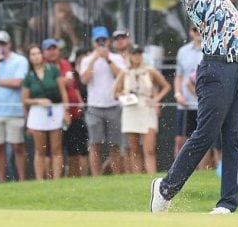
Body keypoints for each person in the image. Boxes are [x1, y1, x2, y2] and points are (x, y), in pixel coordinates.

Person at [150, 0, 238, 215]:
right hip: (217, 69)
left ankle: (227, 205)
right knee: (206, 135)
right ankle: (165, 188)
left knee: (233, 137)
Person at [115, 45, 171, 174]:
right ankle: (137, 176)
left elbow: (166, 86)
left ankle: (151, 174)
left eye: (139, 54)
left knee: (149, 148)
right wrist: (123, 96)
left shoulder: (149, 70)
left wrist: (156, 99)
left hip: (146, 107)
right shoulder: (124, 72)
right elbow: (116, 92)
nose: (136, 57)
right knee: (134, 148)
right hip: (130, 108)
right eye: (134, 54)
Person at [0, 30, 29, 181]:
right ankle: (2, 181)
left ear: (10, 44)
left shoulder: (20, 60)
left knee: (18, 147)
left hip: (15, 110)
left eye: (4, 43)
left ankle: (22, 180)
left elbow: (18, 82)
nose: (2, 47)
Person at [81, 26, 126, 176]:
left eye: (103, 40)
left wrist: (107, 59)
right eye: (98, 41)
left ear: (108, 41)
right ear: (93, 42)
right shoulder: (87, 60)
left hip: (114, 106)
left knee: (115, 144)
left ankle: (116, 175)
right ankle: (96, 177)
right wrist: (94, 59)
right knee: (95, 144)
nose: (101, 43)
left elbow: (121, 76)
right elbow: (84, 79)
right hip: (95, 108)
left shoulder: (117, 58)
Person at [22, 44, 70, 180]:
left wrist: (66, 111)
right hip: (38, 112)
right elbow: (25, 100)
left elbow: (63, 91)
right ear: (30, 58)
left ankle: (56, 179)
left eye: (38, 53)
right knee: (40, 150)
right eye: (33, 54)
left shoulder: (53, 70)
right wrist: (38, 101)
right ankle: (40, 180)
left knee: (56, 148)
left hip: (55, 110)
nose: (36, 56)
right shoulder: (29, 76)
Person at [42, 38, 88, 177]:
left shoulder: (66, 64)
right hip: (53, 115)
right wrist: (61, 82)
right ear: (43, 52)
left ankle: (72, 179)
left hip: (74, 113)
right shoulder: (43, 68)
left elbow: (74, 86)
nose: (52, 52)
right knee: (53, 151)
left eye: (54, 48)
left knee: (75, 150)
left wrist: (79, 101)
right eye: (48, 49)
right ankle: (51, 180)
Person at [174, 26, 203, 158]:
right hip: (185, 104)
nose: (198, 33)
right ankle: (176, 173)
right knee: (181, 140)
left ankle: (203, 173)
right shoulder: (183, 51)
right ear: (191, 32)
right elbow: (179, 76)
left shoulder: (212, 50)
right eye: (195, 30)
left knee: (203, 141)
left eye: (200, 29)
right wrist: (178, 94)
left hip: (204, 104)